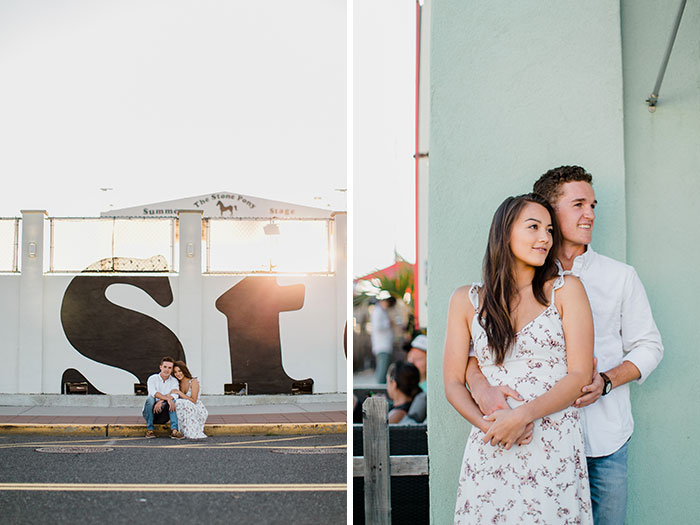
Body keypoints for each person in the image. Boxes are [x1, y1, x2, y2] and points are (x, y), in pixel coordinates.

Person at [466, 167, 664, 525]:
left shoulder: (620, 276)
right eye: (578, 205)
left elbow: (649, 346)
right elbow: (476, 346)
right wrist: (480, 386)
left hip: (605, 438)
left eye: (592, 205)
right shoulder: (525, 274)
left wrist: (606, 381)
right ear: (549, 211)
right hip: (535, 438)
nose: (589, 214)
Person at [444, 193, 594, 523]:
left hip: (552, 439)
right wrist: (491, 426)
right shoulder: (466, 300)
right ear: (505, 232)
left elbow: (580, 375)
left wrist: (522, 415)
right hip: (493, 442)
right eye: (533, 227)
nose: (545, 237)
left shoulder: (567, 290)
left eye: (550, 230)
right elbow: (453, 383)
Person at [142, 356, 184, 439]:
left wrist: (161, 400)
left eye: (169, 368)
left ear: (172, 370)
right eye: (165, 367)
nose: (166, 370)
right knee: (150, 399)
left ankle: (174, 431)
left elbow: (175, 395)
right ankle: (150, 430)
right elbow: (153, 393)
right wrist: (167, 398)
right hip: (150, 413)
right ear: (160, 367)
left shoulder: (174, 381)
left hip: (163, 414)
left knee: (173, 402)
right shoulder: (152, 378)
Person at [170, 361, 208, 439]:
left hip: (196, 408)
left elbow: (194, 400)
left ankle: (190, 430)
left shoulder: (193, 382)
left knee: (181, 402)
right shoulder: (177, 383)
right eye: (175, 372)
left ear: (184, 370)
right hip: (184, 409)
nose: (178, 374)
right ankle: (179, 429)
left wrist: (179, 393)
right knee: (177, 402)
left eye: (180, 371)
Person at [371, 293, 396, 384]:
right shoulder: (377, 311)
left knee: (385, 370)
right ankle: (379, 391)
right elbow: (378, 327)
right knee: (382, 370)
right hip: (381, 345)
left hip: (386, 345)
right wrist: (389, 323)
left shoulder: (383, 311)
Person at [405, 334, 427, 423]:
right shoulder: (404, 382)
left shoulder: (428, 390)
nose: (411, 362)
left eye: (418, 359)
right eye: (409, 357)